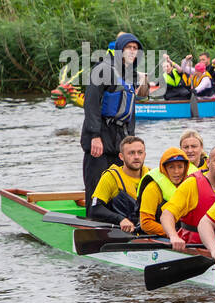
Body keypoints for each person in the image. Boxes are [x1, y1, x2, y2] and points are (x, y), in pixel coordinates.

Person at [80, 32, 141, 204]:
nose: (132, 51)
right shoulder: (102, 70)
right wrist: (94, 136)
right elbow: (90, 103)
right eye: (128, 48)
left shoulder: (130, 74)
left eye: (135, 49)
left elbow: (131, 110)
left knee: (119, 184)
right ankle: (93, 218)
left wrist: (131, 138)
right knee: (97, 185)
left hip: (119, 138)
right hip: (100, 136)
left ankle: (118, 219)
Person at [160, 145, 215, 250]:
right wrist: (173, 236)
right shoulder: (192, 184)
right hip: (193, 246)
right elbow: (167, 215)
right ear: (208, 163)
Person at [87, 135, 146, 231]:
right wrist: (120, 219)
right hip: (121, 231)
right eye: (131, 153)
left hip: (146, 230)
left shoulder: (151, 175)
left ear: (145, 155)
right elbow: (94, 209)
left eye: (140, 153)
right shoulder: (110, 177)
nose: (136, 157)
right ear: (121, 157)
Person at [137, 148, 191, 235]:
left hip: (184, 233)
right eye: (171, 167)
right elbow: (145, 223)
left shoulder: (191, 184)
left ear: (186, 168)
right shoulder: (152, 189)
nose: (176, 172)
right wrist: (173, 233)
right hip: (161, 236)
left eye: (180, 166)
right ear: (164, 168)